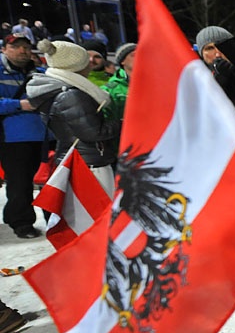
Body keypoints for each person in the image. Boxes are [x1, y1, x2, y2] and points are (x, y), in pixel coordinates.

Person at [196, 25, 235, 314]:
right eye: (209, 48)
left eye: (222, 46)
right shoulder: (195, 83)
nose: (217, 53)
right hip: (215, 167)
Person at [26, 39, 120, 197]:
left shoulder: (56, 90)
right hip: (89, 163)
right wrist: (123, 123)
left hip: (78, 159)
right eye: (85, 61)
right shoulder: (72, 95)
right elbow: (93, 133)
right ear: (76, 65)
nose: (90, 64)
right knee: (97, 213)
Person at [0, 33, 47, 238]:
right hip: (13, 138)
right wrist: (20, 104)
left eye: (26, 47)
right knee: (20, 183)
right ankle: (21, 222)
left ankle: (52, 220)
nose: (22, 51)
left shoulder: (40, 71)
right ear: (4, 50)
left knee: (49, 183)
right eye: (16, 47)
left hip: (45, 135)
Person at [100, 42, 136, 121]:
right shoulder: (110, 89)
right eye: (133, 55)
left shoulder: (155, 84)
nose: (139, 57)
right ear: (123, 61)